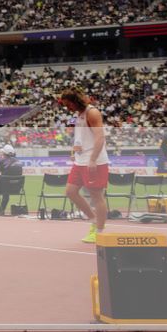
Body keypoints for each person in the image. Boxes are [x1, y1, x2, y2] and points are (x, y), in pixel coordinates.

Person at [58, 86, 110, 244]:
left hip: (93, 161)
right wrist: (75, 148)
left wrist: (93, 159)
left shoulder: (92, 112)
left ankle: (99, 231)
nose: (68, 108)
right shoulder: (79, 114)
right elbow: (83, 136)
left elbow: (100, 137)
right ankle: (94, 220)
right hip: (80, 160)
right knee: (71, 191)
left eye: (69, 104)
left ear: (76, 100)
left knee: (96, 196)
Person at [0, 144, 26, 217]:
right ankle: (1, 210)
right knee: (6, 190)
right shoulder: (19, 162)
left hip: (5, 186)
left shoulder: (3, 161)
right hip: (17, 188)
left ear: (5, 153)